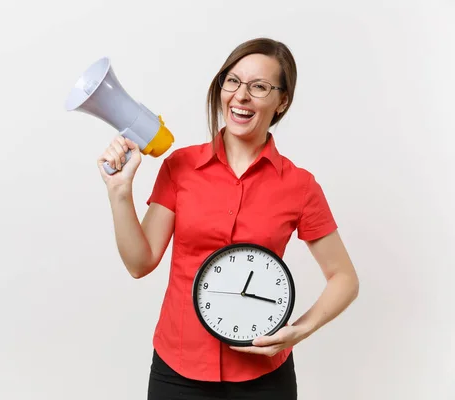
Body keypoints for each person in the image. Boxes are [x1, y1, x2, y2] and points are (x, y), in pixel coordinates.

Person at [97, 38, 359, 400]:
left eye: (260, 87)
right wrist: (119, 192)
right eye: (232, 81)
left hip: (264, 377)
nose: (241, 96)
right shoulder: (180, 167)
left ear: (282, 100)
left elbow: (344, 278)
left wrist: (299, 330)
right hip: (177, 368)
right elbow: (140, 263)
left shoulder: (300, 186)